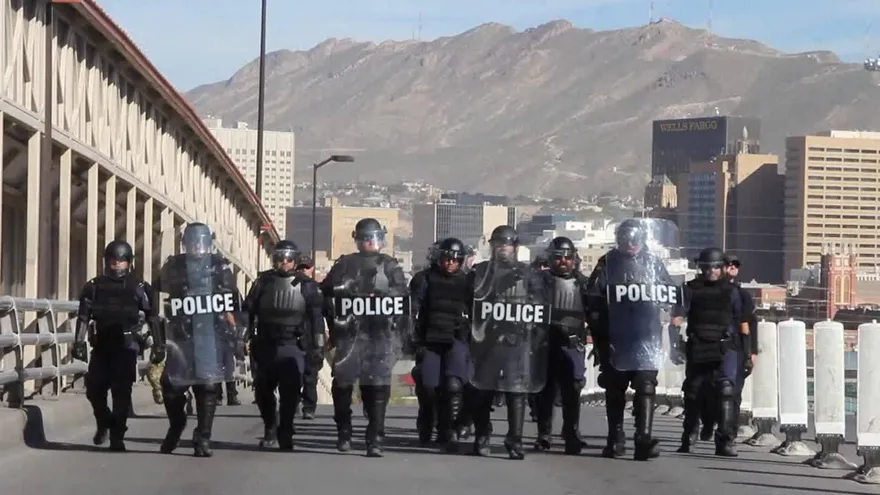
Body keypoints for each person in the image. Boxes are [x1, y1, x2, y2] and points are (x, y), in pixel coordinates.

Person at [587, 218, 682, 461]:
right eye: (626, 239)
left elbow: (670, 292)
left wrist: (670, 310)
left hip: (646, 335)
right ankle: (615, 439)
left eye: (635, 239)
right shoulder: (607, 262)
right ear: (618, 240)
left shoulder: (653, 262)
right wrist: (599, 336)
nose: (630, 244)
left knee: (646, 386)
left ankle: (643, 439)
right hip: (615, 336)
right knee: (614, 388)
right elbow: (592, 297)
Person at [152, 222, 244, 457]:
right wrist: (158, 336)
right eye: (192, 242)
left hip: (209, 334)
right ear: (185, 243)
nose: (197, 247)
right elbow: (156, 294)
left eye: (201, 242)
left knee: (208, 387)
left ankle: (203, 436)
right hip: (181, 335)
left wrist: (235, 331)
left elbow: (234, 300)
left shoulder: (219, 267)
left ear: (208, 244)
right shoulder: (174, 266)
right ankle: (177, 424)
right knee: (170, 386)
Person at [321, 218, 409, 457]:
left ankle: (375, 439)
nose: (370, 243)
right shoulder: (345, 264)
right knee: (342, 386)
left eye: (374, 238)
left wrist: (382, 295)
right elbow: (326, 290)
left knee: (377, 389)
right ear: (357, 239)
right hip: (350, 334)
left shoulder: (389, 265)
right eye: (365, 238)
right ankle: (344, 432)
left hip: (380, 335)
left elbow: (402, 296)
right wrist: (346, 290)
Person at [467, 225, 550, 460]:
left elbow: (541, 307)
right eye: (498, 244)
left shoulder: (527, 274)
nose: (502, 248)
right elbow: (468, 304)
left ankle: (515, 439)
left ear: (515, 247)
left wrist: (534, 335)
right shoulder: (480, 272)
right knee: (482, 390)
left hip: (517, 341)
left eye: (507, 244)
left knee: (517, 392)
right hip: (487, 340)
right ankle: (482, 435)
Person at [72, 240, 157, 452]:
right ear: (106, 262)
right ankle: (104, 421)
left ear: (129, 263)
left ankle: (117, 435)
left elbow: (153, 318)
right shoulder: (93, 286)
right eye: (113, 261)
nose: (117, 265)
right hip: (102, 344)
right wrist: (78, 342)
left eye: (121, 261)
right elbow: (83, 317)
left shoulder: (139, 287)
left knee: (121, 393)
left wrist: (159, 345)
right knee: (94, 388)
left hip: (127, 345)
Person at [244, 240, 324, 450]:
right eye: (280, 258)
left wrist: (318, 348)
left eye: (288, 259)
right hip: (266, 343)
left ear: (295, 261)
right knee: (263, 390)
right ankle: (270, 427)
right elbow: (248, 311)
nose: (284, 262)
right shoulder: (263, 283)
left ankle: (286, 431)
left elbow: (316, 320)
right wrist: (242, 336)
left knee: (290, 392)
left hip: (294, 344)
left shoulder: (307, 286)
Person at [674, 247, 751, 457]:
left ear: (723, 268)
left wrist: (747, 354)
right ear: (700, 268)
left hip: (725, 347)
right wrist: (675, 342)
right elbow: (677, 318)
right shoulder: (689, 289)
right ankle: (689, 436)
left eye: (716, 267)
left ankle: (725, 440)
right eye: (707, 267)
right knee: (693, 392)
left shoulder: (732, 291)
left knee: (726, 390)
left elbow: (743, 324)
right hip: (698, 345)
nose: (711, 271)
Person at [411, 237, 471, 451]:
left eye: (455, 259)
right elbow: (411, 310)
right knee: (428, 385)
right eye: (446, 258)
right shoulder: (424, 279)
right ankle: (427, 420)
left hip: (456, 339)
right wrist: (412, 338)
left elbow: (479, 312)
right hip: (430, 339)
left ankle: (449, 429)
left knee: (454, 385)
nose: (450, 263)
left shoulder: (468, 282)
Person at [533, 237, 589, 455]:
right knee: (545, 390)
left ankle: (572, 432)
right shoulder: (539, 281)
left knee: (572, 389)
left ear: (574, 259)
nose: (563, 261)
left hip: (572, 344)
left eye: (567, 257)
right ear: (550, 259)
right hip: (544, 342)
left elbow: (595, 312)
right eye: (558, 257)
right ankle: (544, 434)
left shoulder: (583, 284)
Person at [295, 254, 323, 420]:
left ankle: (309, 407)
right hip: (293, 335)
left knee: (310, 375)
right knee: (294, 374)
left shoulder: (314, 289)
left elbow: (319, 317)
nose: (303, 271)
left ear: (311, 269)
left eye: (306, 268)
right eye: (300, 268)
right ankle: (295, 404)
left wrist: (320, 343)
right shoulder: (290, 285)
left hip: (310, 336)